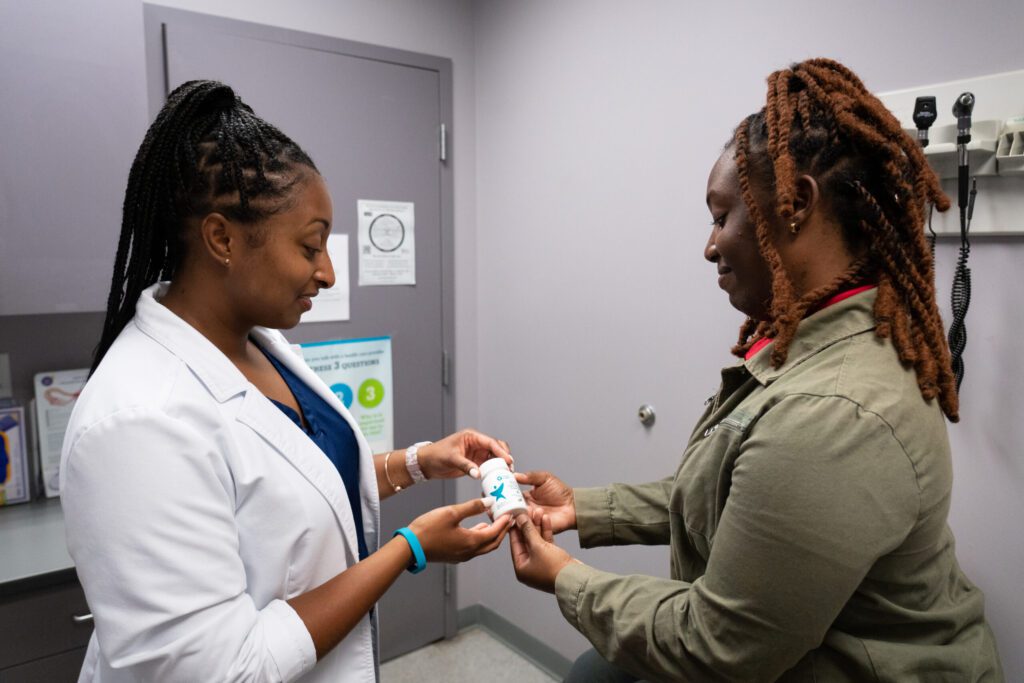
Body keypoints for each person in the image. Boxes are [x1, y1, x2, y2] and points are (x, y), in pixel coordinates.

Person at [508, 58, 1004, 682]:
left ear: (796, 204)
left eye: (720, 217)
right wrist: (581, 508)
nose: (710, 246)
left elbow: (721, 647)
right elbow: (732, 495)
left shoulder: (834, 413)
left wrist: (564, 579)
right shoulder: (811, 340)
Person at [61, 80, 514, 682]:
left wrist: (419, 461)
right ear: (222, 239)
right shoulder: (138, 421)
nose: (327, 273)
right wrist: (411, 548)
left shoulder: (258, 343)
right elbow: (224, 670)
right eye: (311, 246)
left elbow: (301, 485)